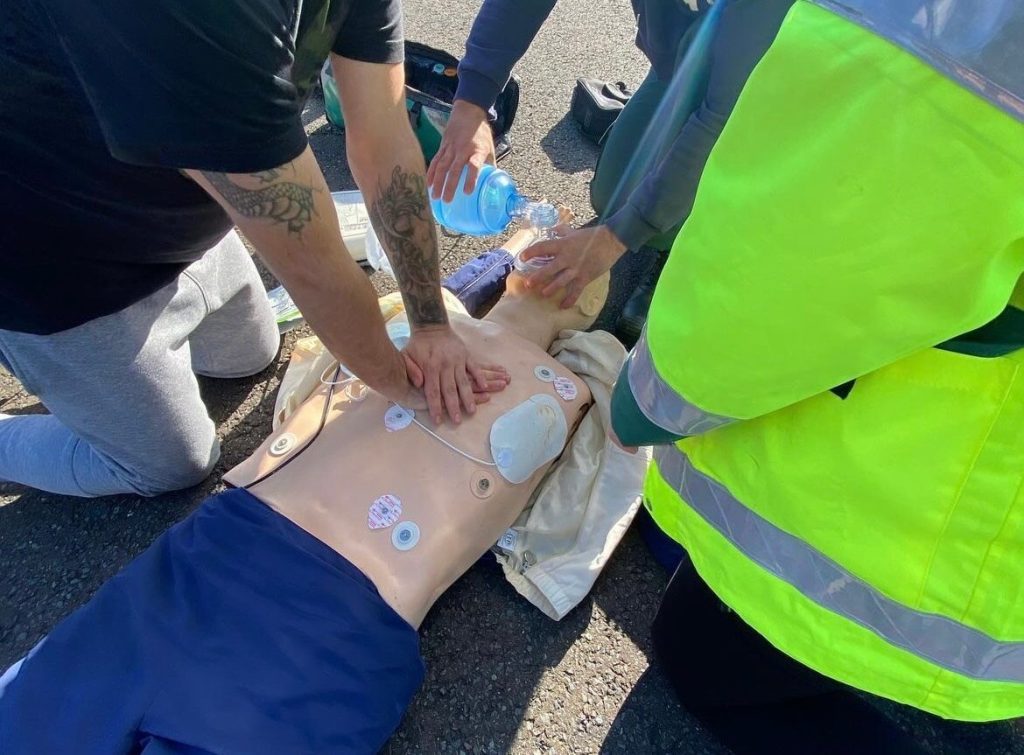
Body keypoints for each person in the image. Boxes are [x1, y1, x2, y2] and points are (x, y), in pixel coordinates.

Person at [611, 0, 1024, 751]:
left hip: (954, 528)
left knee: (698, 651)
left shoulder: (963, 31)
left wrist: (655, 392)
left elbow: (800, 256)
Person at [0, 262, 614, 753]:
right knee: (37, 718)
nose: (555, 260)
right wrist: (505, 257)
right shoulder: (430, 317)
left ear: (588, 309)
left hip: (330, 625)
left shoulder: (577, 388)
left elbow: (601, 479)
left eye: (576, 269)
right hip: (225, 559)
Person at [0, 0, 505, 500]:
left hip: (181, 234)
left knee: (253, 357)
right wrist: (402, 385)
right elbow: (311, 264)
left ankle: (109, 390)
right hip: (58, 269)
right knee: (175, 465)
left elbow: (385, 145)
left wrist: (431, 325)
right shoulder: (197, 17)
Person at [426, 0, 795, 340]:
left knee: (677, 198)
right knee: (616, 195)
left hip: (774, 79)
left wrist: (619, 236)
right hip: (692, 50)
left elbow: (720, 116)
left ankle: (681, 256)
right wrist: (472, 105)